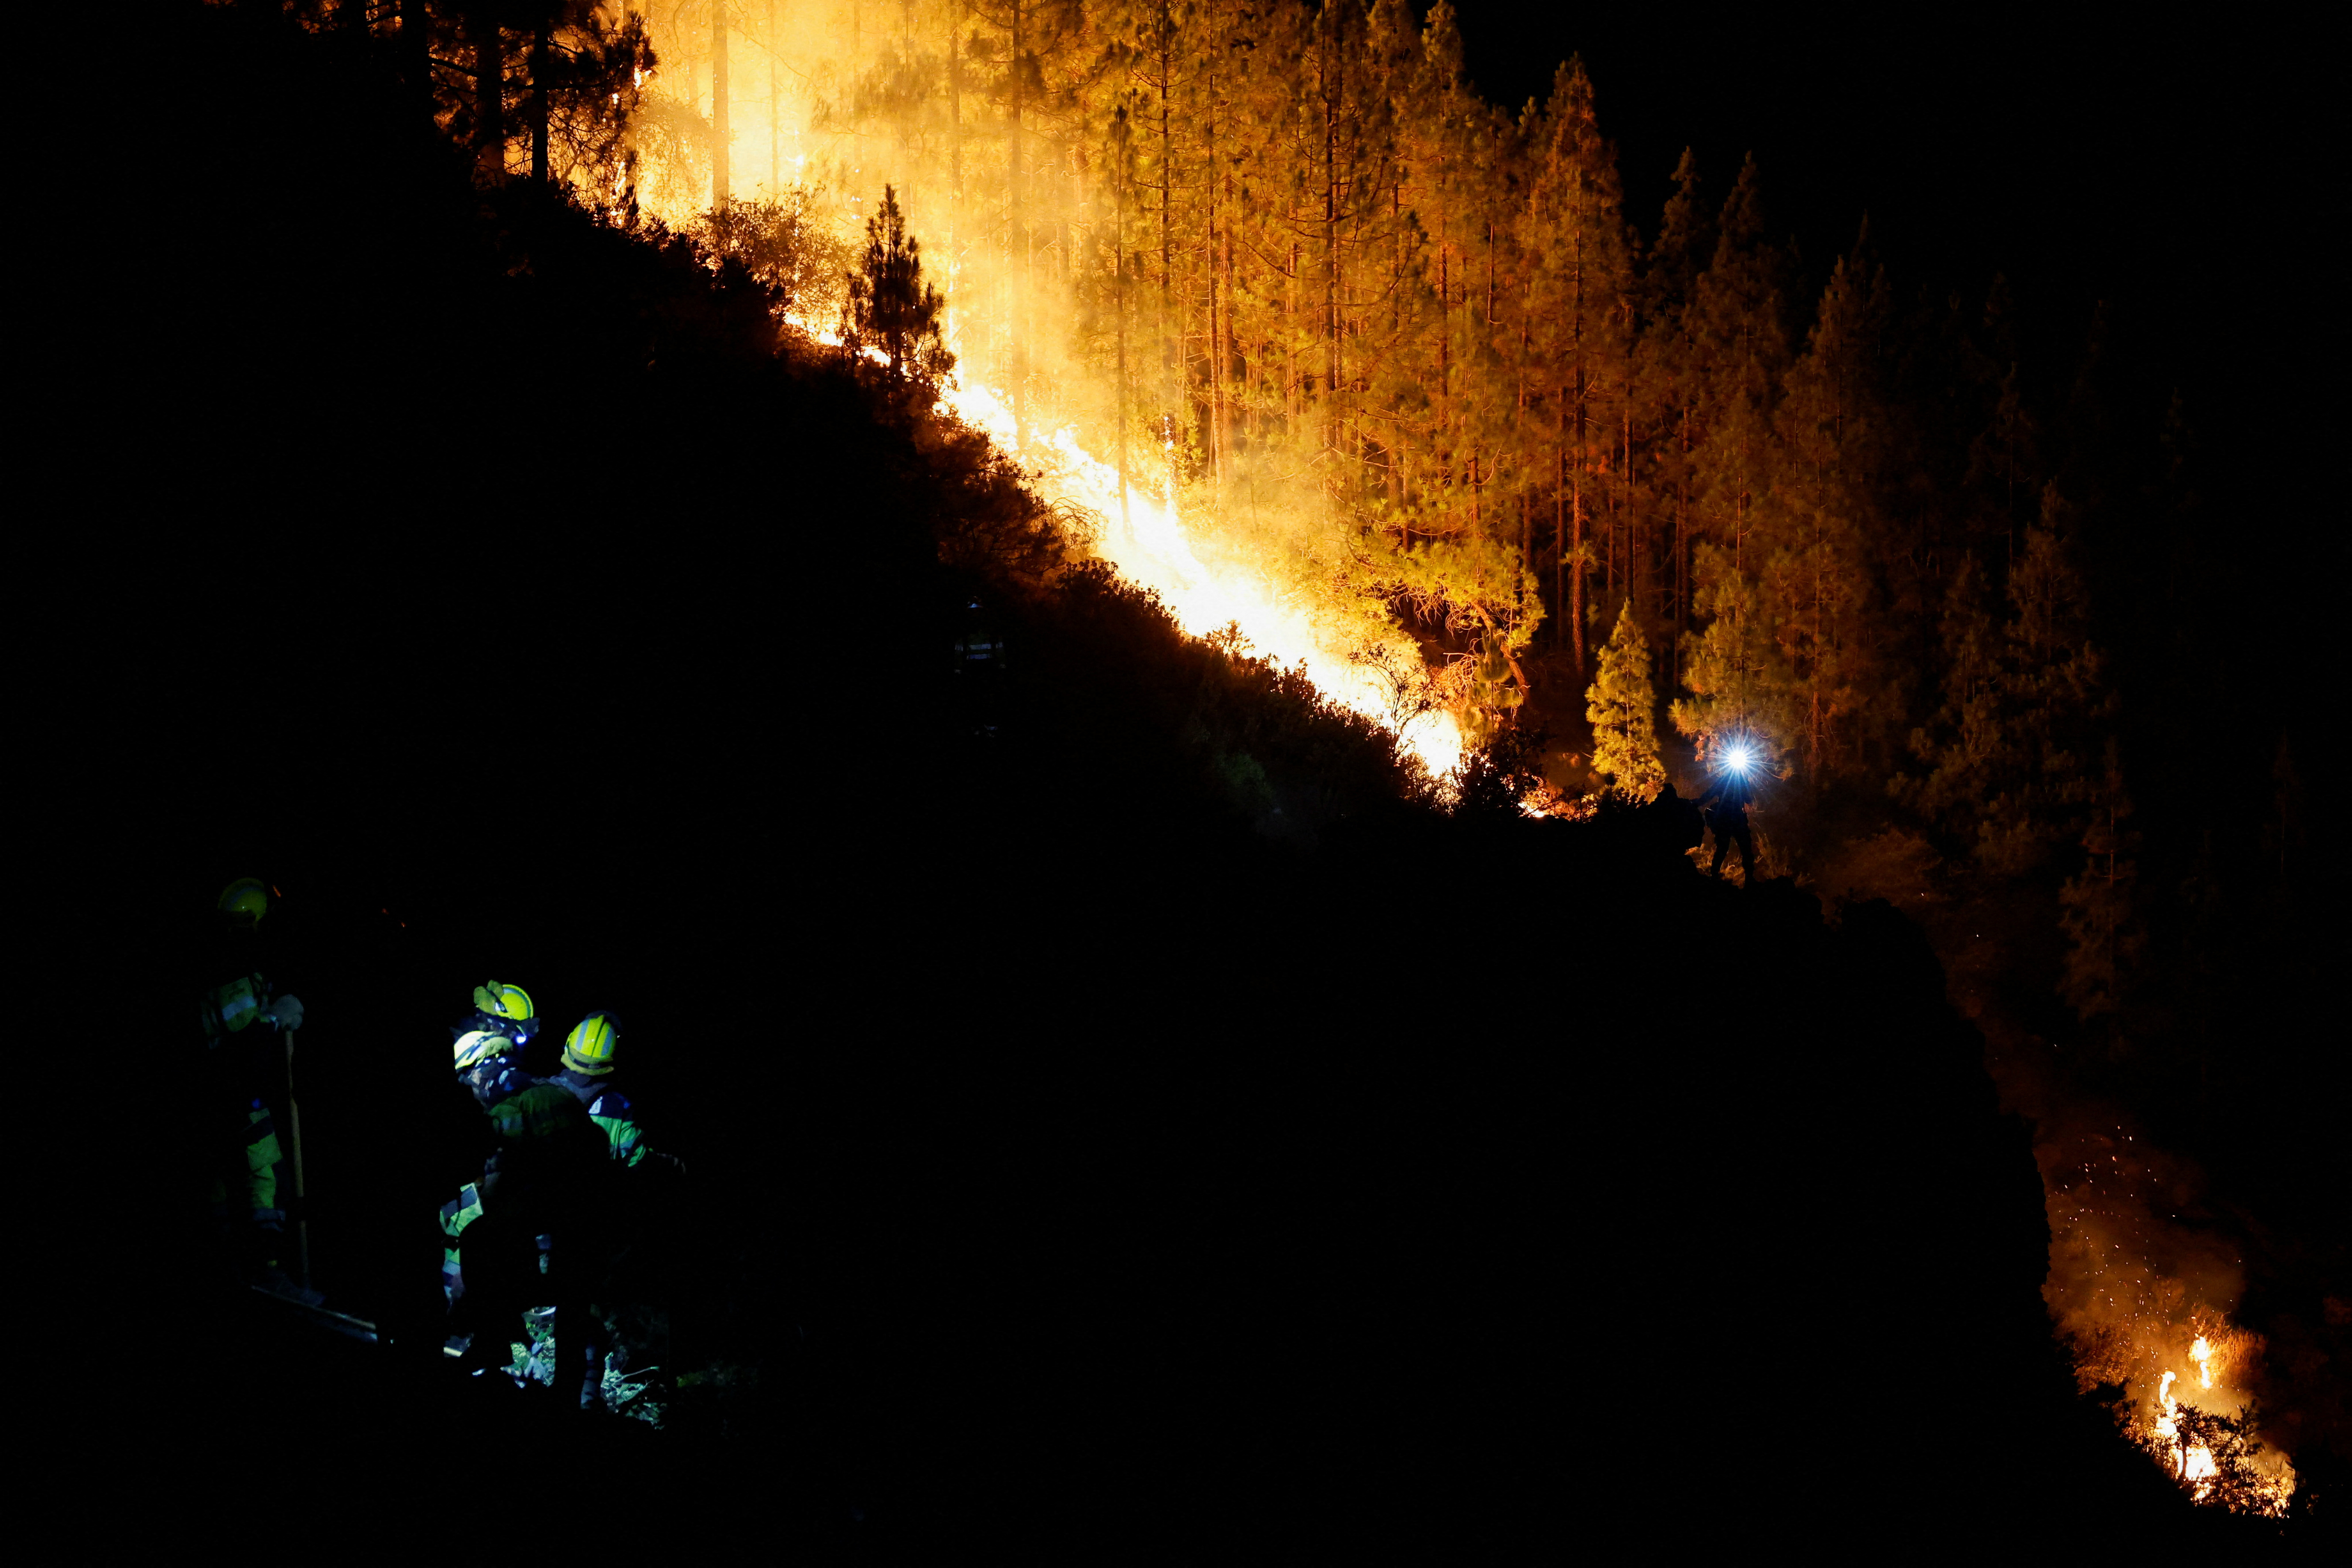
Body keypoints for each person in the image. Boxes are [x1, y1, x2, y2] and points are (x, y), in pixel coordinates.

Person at [442, 1026, 604, 1411]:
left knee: (481, 1239)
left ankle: (494, 1344)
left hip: (553, 1223)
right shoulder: (554, 1094)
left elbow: (498, 1192)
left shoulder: (508, 1110)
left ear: (486, 1068)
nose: (469, 1086)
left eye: (468, 1076)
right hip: (591, 1220)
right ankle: (569, 1397)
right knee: (575, 1311)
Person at [198, 877, 316, 1301]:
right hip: (231, 1103)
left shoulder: (238, 967)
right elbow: (239, 1048)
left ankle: (245, 1273)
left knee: (240, 1192)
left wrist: (276, 1008)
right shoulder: (228, 974)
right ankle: (264, 1277)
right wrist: (274, 1020)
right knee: (263, 1187)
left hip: (234, 1101)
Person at [1694, 748, 1760, 883]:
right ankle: (1748, 879)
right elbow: (1749, 799)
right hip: (1734, 819)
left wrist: (1696, 803)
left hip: (1725, 819)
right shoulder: (1739, 782)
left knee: (1725, 849)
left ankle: (1716, 876)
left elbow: (1708, 795)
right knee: (1742, 848)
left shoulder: (1724, 781)